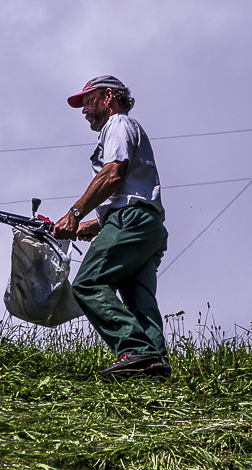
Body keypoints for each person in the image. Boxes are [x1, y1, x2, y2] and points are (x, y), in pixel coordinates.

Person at [53, 75, 170, 379]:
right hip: (148, 225)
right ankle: (154, 367)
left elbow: (113, 174)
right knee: (138, 299)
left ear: (108, 96)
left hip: (129, 221)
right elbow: (131, 187)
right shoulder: (126, 129)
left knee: (88, 283)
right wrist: (96, 223)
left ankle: (134, 351)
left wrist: (75, 213)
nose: (84, 110)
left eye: (88, 101)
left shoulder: (118, 125)